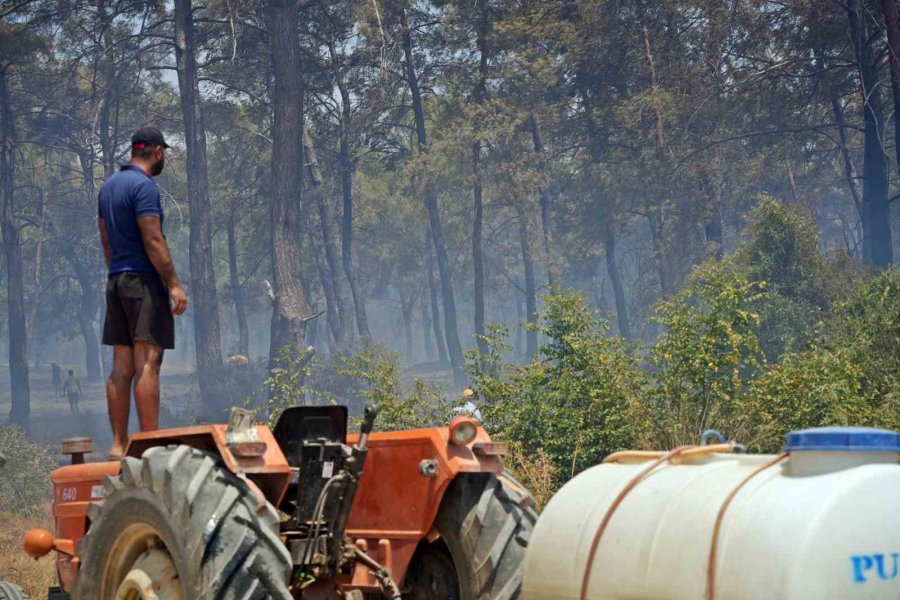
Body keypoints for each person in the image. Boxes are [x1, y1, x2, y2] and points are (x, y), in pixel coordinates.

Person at [98, 126, 188, 459]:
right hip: (144, 280)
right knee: (148, 362)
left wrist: (117, 273)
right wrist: (174, 284)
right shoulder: (144, 187)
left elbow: (106, 238)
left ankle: (118, 445)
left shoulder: (108, 187)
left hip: (117, 279)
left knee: (121, 367)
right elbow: (153, 239)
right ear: (157, 152)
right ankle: (151, 445)